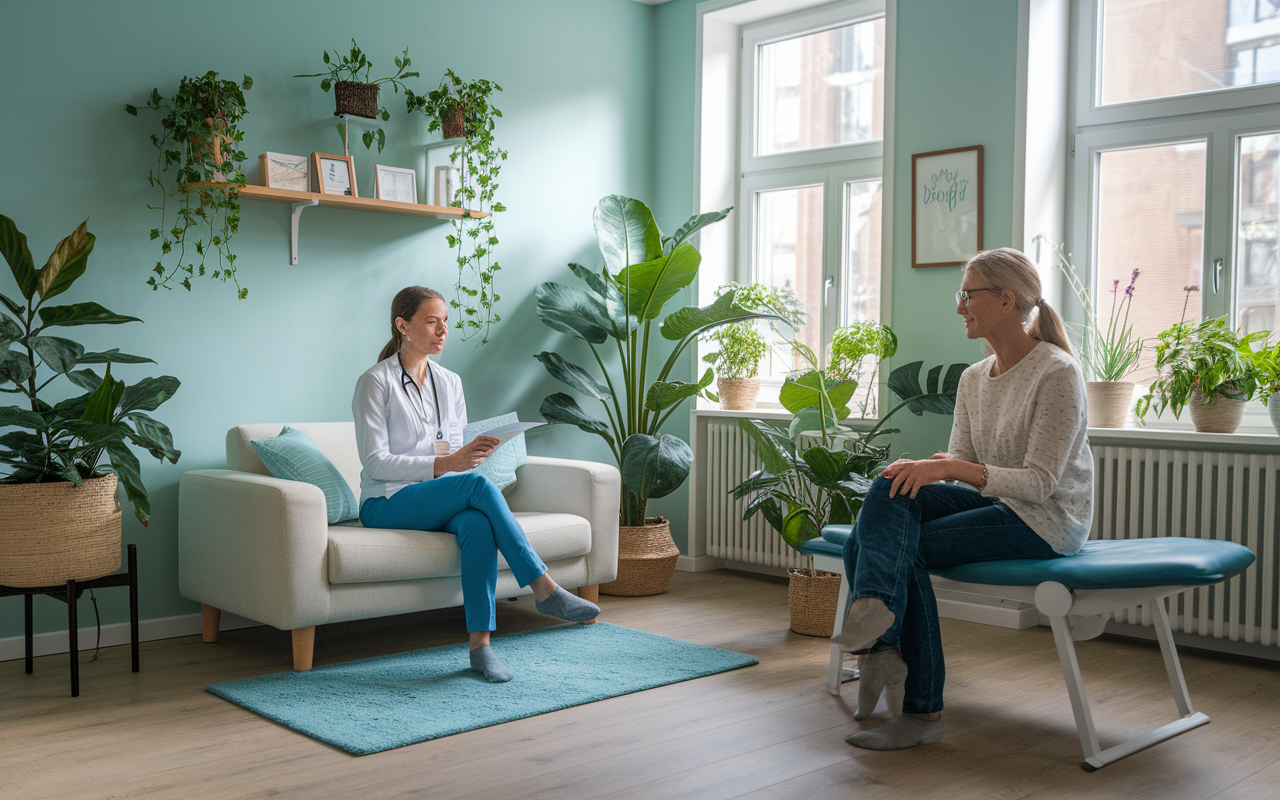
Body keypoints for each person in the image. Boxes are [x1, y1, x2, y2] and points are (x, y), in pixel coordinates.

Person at [832, 247, 1093, 750]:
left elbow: (1039, 483)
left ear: (1005, 300)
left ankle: (921, 707)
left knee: (900, 546)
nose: (959, 307)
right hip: (996, 504)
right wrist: (936, 468)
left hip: (1046, 520)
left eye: (966, 295)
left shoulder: (1056, 372)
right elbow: (963, 466)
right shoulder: (974, 378)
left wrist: (951, 467)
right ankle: (884, 647)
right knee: (892, 484)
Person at [352, 286, 600, 683]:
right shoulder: (375, 382)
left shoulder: (449, 382)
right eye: (431, 321)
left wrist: (470, 453)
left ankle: (480, 648)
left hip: (435, 494)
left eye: (445, 321)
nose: (442, 330)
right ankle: (545, 588)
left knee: (478, 525)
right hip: (385, 500)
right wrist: (447, 464)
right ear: (403, 325)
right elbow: (374, 461)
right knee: (478, 489)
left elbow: (451, 446)